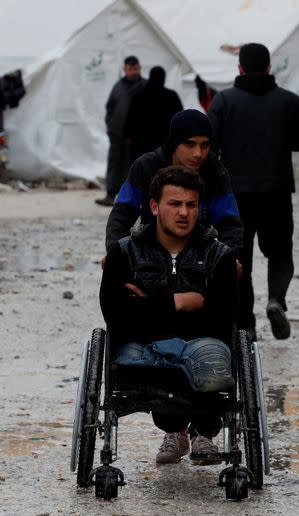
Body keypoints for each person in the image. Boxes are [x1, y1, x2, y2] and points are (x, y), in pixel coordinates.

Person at [100, 166, 239, 464]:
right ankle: (175, 429)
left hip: (200, 348)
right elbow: (117, 316)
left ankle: (203, 431)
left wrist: (145, 306)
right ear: (154, 206)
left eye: (191, 205)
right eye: (174, 204)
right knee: (133, 364)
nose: (184, 212)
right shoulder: (123, 254)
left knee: (213, 364)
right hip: (140, 351)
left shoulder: (220, 256)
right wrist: (178, 303)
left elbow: (220, 319)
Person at [208, 43, 299, 341]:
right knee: (279, 253)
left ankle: (245, 325)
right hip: (276, 192)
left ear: (239, 68)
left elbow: (210, 147)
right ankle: (276, 299)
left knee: (240, 259)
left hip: (235, 197)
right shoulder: (289, 101)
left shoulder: (223, 101)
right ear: (268, 68)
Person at [104, 109, 243, 256]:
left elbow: (228, 221)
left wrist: (231, 257)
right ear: (174, 144)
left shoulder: (214, 170)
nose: (198, 154)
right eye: (190, 144)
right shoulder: (145, 166)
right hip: (151, 252)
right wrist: (115, 254)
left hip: (198, 254)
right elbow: (122, 213)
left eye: (204, 145)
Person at [97, 55, 145, 207]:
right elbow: (110, 107)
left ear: (139, 68)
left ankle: (135, 199)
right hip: (117, 136)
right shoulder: (118, 86)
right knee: (115, 164)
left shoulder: (145, 86)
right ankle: (110, 195)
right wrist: (110, 126)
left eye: (135, 68)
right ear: (125, 69)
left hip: (138, 138)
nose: (132, 71)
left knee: (136, 167)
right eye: (130, 69)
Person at [123, 66, 183, 160]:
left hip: (140, 143)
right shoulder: (171, 96)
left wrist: (127, 135)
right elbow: (179, 119)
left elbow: (131, 118)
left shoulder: (139, 95)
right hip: (163, 143)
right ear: (163, 78)